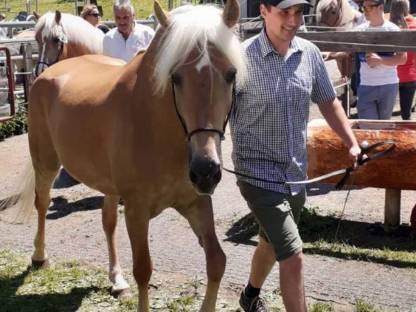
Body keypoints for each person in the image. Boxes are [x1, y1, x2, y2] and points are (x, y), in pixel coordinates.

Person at [229, 0, 361, 311]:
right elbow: (215, 111)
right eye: (284, 12)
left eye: (298, 12)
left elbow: (329, 102)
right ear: (263, 11)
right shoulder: (240, 58)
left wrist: (351, 142)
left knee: (270, 242)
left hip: (295, 172)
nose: (293, 20)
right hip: (256, 173)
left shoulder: (309, 53)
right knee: (293, 253)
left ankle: (249, 296)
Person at [355, 0, 406, 119]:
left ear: (380, 7)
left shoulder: (393, 30)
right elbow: (344, 47)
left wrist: (380, 60)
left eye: (369, 8)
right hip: (366, 84)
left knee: (383, 127)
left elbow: (402, 58)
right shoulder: (359, 30)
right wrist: (331, 54)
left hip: (388, 84)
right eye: (363, 8)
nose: (364, 11)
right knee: (368, 127)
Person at [390, 0, 416, 120]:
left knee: (385, 116)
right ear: (408, 9)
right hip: (411, 76)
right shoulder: (414, 24)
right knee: (406, 115)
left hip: (390, 76)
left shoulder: (388, 27)